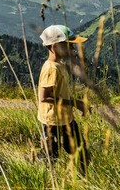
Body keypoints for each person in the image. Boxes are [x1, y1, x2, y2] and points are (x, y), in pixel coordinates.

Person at [38, 24, 90, 172]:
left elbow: (59, 92)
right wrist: (74, 103)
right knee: (51, 157)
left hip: (66, 118)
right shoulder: (51, 69)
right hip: (52, 122)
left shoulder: (59, 65)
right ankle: (47, 182)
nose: (72, 49)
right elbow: (44, 97)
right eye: (69, 46)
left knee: (80, 152)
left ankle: (84, 180)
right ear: (55, 47)